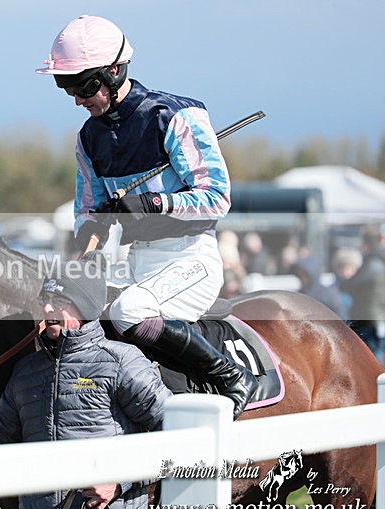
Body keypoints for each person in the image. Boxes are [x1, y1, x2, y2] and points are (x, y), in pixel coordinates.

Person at [35, 14, 256, 418]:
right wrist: (86, 252)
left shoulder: (175, 116)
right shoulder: (89, 139)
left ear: (115, 71)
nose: (77, 98)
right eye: (65, 87)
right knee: (84, 318)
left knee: (129, 311)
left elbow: (217, 198)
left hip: (191, 258)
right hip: (138, 262)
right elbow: (89, 212)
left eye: (83, 85)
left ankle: (229, 375)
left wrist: (153, 204)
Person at [0, 254, 172, 509]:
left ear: (86, 306)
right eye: (45, 299)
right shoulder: (25, 373)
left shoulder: (122, 362)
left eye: (61, 301)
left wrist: (120, 482)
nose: (48, 307)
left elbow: (178, 435)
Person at [338, 226, 385, 364]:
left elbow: (350, 284)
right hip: (377, 318)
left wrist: (344, 282)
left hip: (370, 319)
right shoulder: (379, 261)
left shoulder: (373, 264)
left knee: (371, 359)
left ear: (366, 243)